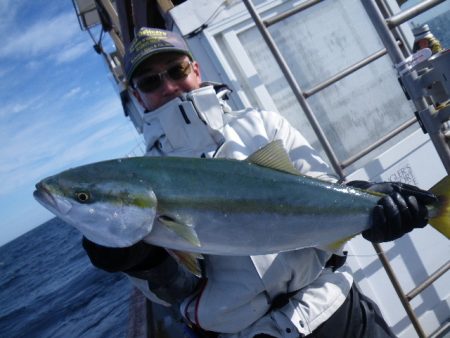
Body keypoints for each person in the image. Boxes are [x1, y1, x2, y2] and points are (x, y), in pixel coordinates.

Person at [82, 27, 436, 337]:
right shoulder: (144, 174)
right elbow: (177, 292)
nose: (169, 86)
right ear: (137, 96)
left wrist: (371, 204)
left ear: (196, 69)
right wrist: (143, 261)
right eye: (150, 81)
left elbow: (320, 185)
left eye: (176, 70)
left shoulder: (260, 126)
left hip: (335, 309)